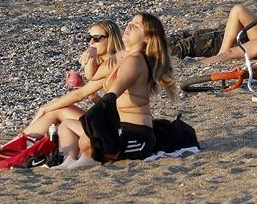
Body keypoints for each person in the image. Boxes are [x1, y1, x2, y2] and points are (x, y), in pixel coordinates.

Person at [27, 13, 176, 167]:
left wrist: (94, 125)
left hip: (136, 134)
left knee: (87, 140)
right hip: (115, 127)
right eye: (130, 22)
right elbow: (91, 79)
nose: (129, 25)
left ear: (147, 38)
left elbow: (112, 95)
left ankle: (77, 162)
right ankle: (67, 161)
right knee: (66, 125)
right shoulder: (121, 56)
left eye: (137, 26)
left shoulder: (135, 60)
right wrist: (92, 53)